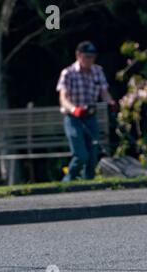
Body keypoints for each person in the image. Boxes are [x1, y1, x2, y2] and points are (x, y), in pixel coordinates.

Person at [57, 41, 115, 182]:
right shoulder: (68, 73)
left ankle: (88, 184)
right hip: (73, 118)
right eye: (87, 56)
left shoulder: (97, 71)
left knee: (92, 155)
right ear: (78, 55)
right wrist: (73, 109)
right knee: (81, 155)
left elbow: (104, 92)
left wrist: (111, 102)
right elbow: (63, 97)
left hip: (90, 117)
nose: (90, 60)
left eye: (92, 57)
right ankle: (68, 181)